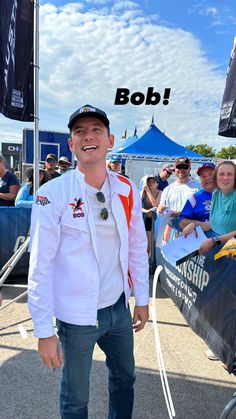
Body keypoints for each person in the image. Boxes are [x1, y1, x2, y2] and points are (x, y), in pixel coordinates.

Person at [28, 104, 149, 419]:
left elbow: (137, 245)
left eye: (96, 129)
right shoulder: (51, 194)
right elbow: (39, 265)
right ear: (71, 144)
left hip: (118, 311)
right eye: (79, 131)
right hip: (77, 318)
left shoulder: (126, 188)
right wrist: (44, 331)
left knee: (125, 380)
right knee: (75, 399)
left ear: (110, 140)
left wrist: (143, 299)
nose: (88, 136)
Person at [179, 163, 216, 237]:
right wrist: (199, 225)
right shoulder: (194, 198)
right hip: (204, 244)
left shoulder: (230, 195)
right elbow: (182, 221)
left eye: (210, 174)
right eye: (203, 176)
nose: (207, 178)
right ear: (200, 180)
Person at [209, 161, 236, 235]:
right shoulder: (216, 193)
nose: (225, 178)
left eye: (230, 174)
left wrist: (216, 241)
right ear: (216, 178)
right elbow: (218, 224)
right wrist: (194, 226)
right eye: (221, 174)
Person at [141, 175, 162, 256]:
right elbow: (137, 206)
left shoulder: (160, 192)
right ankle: (148, 255)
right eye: (149, 181)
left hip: (156, 219)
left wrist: (148, 191)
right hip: (146, 218)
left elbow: (155, 205)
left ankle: (151, 255)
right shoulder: (143, 192)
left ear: (157, 183)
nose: (151, 183)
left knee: (153, 237)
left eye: (153, 182)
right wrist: (146, 211)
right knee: (146, 237)